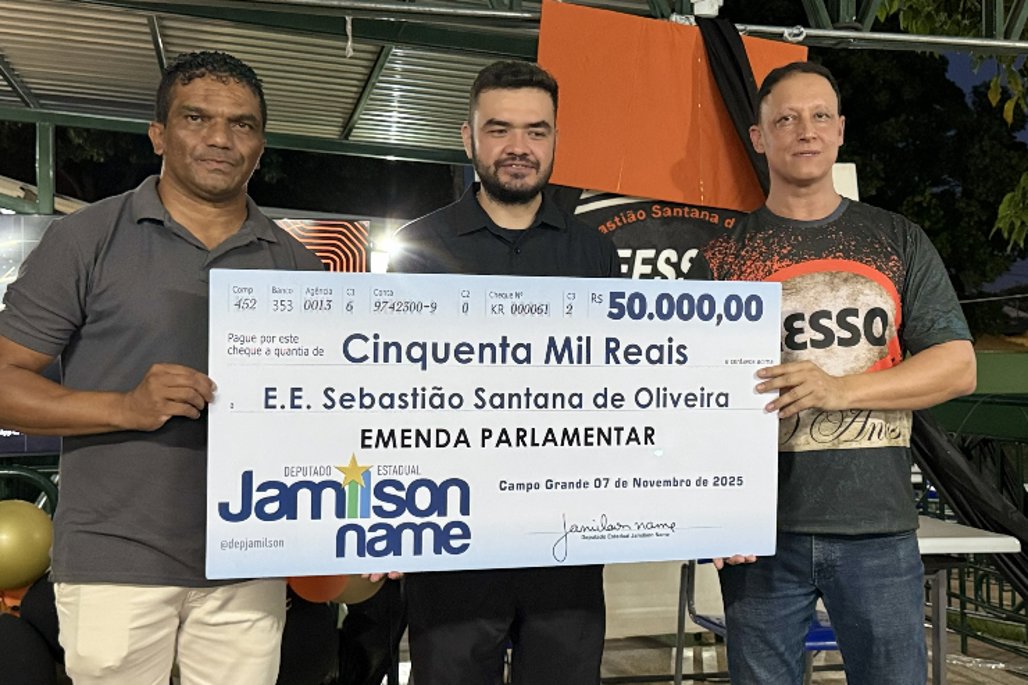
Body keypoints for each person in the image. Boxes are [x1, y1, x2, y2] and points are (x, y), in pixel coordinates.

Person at [0, 50, 324, 684]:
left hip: (249, 558)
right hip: (114, 559)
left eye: (242, 124)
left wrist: (369, 526)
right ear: (158, 134)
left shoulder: (297, 266)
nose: (220, 138)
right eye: (196, 117)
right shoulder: (86, 239)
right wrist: (125, 407)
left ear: (260, 147)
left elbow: (332, 416)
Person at [702, 61, 977, 684]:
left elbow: (958, 368)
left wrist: (839, 388)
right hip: (759, 536)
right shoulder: (721, 256)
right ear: (758, 137)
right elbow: (690, 400)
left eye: (820, 115)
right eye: (786, 119)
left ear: (841, 129)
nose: (805, 130)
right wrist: (710, 510)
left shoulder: (897, 239)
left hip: (877, 529)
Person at [388, 60, 619, 684]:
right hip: (452, 536)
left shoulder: (594, 252)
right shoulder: (418, 251)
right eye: (499, 130)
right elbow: (388, 396)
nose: (519, 147)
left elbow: (620, 390)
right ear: (469, 138)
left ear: (555, 140)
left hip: (566, 535)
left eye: (536, 131)